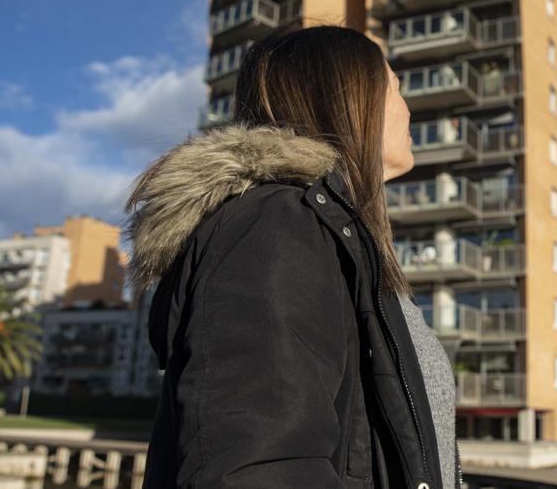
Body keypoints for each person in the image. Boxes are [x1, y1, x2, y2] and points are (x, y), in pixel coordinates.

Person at [124, 25, 460, 488]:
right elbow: (260, 467)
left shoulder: (337, 240)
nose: (408, 109)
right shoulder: (277, 225)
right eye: (395, 89)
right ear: (350, 99)